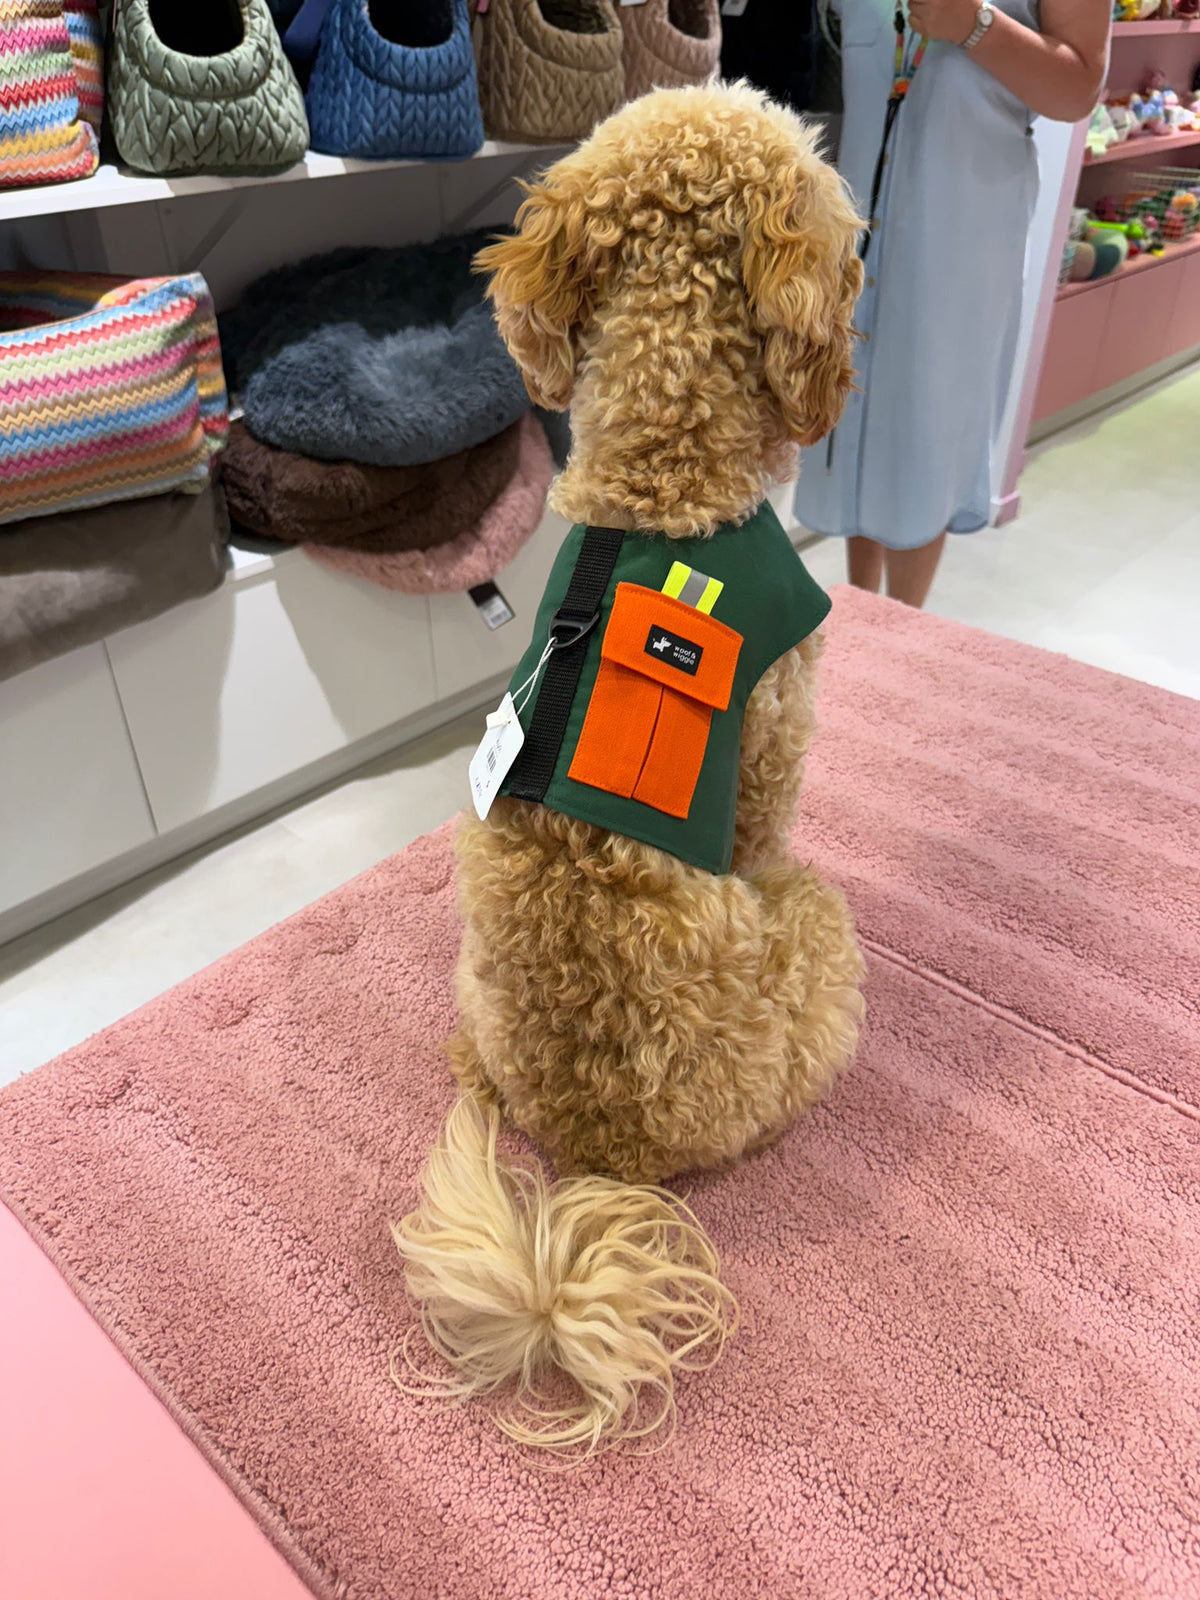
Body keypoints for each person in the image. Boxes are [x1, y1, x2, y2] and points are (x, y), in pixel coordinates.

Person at [794, 0, 1109, 608]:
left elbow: (1078, 90)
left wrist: (974, 25)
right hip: (855, 225)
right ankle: (862, 612)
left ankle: (905, 628)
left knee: (928, 424)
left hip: (960, 234)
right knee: (855, 412)